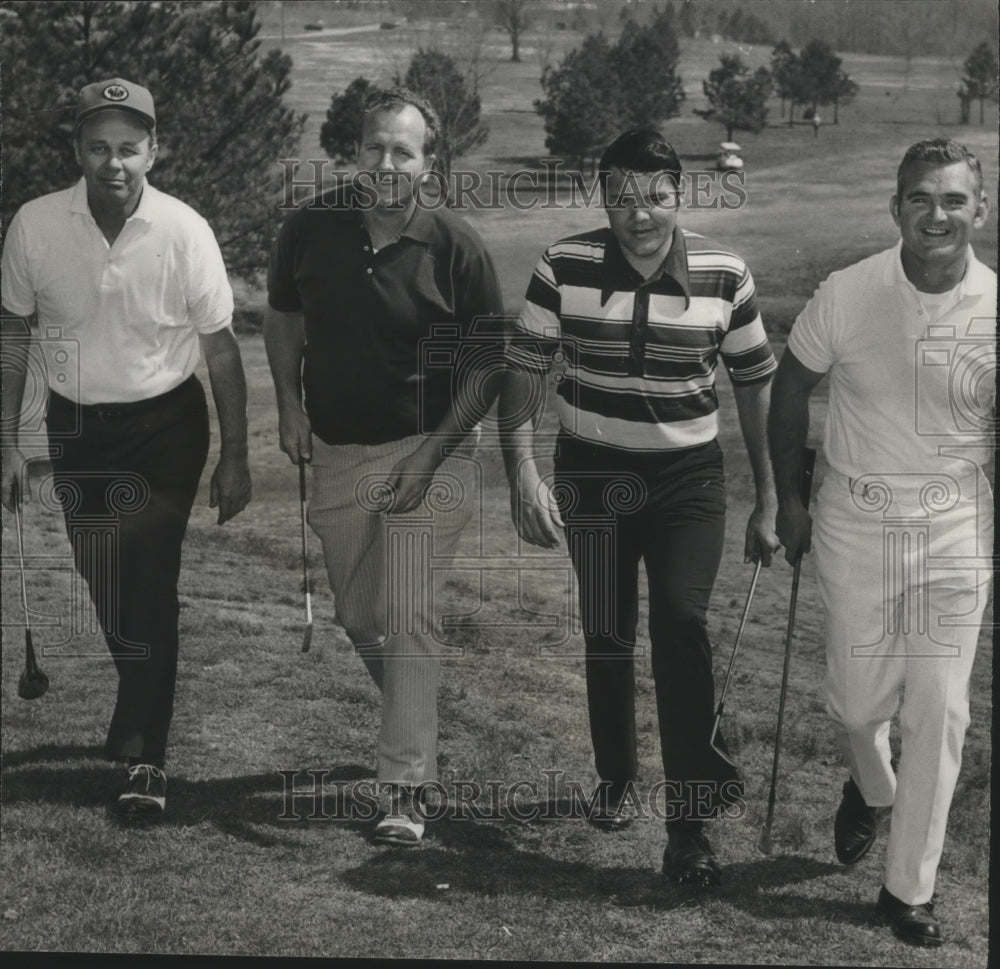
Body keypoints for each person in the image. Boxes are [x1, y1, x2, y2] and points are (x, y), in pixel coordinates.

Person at [499, 129, 779, 886]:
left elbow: (755, 383)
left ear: (678, 196)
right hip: (590, 473)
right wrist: (522, 469)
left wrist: (771, 497)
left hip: (689, 479)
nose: (639, 214)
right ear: (604, 200)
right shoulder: (565, 264)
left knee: (682, 624)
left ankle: (688, 828)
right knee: (607, 629)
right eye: (621, 198)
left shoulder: (726, 274)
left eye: (655, 196)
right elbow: (523, 368)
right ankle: (615, 775)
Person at [1, 77, 252, 821]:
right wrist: (8, 441)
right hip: (79, 426)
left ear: (154, 149)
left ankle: (148, 755)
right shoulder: (35, 224)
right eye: (100, 147)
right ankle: (136, 701)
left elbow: (223, 350)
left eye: (130, 148)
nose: (115, 162)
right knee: (103, 578)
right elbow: (12, 336)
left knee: (149, 581)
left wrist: (234, 454)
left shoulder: (185, 230)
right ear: (78, 148)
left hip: (166, 425)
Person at [768, 138, 994, 947]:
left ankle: (909, 890)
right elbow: (791, 385)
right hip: (855, 521)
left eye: (954, 200)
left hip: (954, 530)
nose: (937, 214)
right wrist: (790, 500)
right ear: (896, 207)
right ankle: (868, 782)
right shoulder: (849, 292)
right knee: (858, 705)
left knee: (940, 706)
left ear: (980, 209)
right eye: (920, 199)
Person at [264, 87, 505, 846]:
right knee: (360, 615)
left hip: (431, 448)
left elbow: (489, 360)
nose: (387, 162)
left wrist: (433, 453)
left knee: (405, 610)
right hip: (336, 448)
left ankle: (403, 784)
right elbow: (283, 317)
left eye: (405, 150)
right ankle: (420, 724)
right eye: (375, 146)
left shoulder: (456, 246)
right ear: (354, 150)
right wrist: (289, 407)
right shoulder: (308, 227)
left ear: (430, 162)